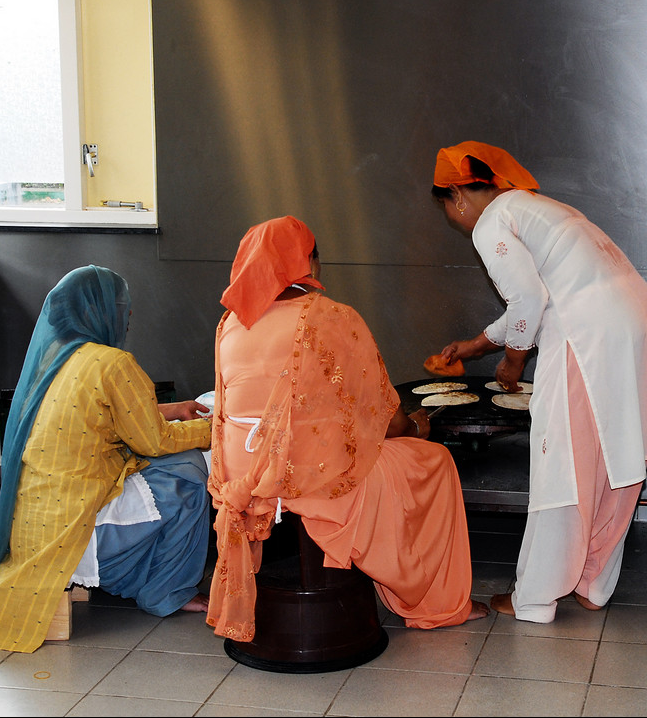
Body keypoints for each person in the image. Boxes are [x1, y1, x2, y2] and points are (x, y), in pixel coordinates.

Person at [429, 142, 647, 623]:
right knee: (616, 462)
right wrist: (477, 345)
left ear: (459, 195)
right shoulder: (539, 208)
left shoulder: (491, 223)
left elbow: (528, 299)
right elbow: (541, 297)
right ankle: (592, 583)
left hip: (588, 335)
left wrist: (511, 363)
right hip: (639, 324)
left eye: (447, 206)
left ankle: (536, 597)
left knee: (563, 462)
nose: (453, 216)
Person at [206, 216, 489, 642]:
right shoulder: (329, 317)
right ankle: (435, 602)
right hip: (305, 479)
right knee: (434, 461)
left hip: (239, 478)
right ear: (310, 263)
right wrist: (415, 427)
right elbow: (384, 419)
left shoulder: (229, 325)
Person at [0, 265, 214, 653]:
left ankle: (145, 576)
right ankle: (167, 592)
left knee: (172, 467)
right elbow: (154, 441)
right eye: (122, 313)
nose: (126, 322)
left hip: (37, 528)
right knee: (190, 478)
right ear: (98, 313)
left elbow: (104, 416)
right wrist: (218, 430)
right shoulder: (113, 363)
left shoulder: (57, 358)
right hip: (75, 533)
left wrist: (171, 408)